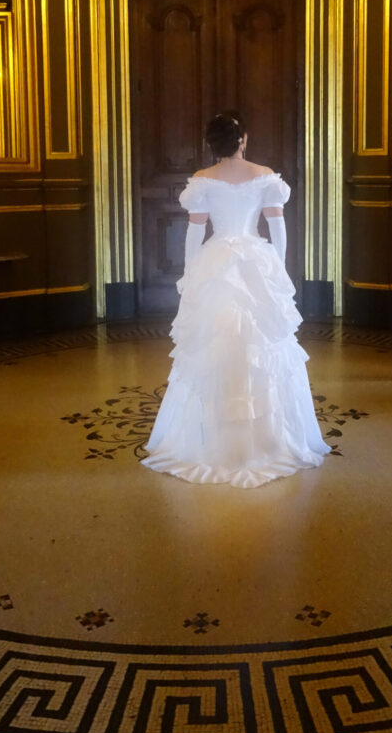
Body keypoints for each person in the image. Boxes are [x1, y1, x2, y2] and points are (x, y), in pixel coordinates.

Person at [141, 111, 330, 488]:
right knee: (261, 345)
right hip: (256, 259)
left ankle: (213, 437)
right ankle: (266, 439)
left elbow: (194, 235)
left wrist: (192, 272)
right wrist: (277, 268)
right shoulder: (265, 177)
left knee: (216, 344)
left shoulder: (202, 181)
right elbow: (278, 228)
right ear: (243, 139)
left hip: (217, 261)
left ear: (213, 145)